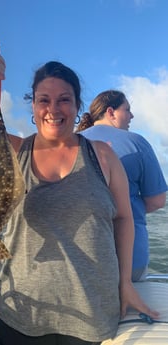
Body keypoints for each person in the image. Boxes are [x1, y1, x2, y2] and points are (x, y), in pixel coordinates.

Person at [0, 50, 159, 345]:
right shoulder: (12, 150)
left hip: (91, 311)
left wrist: (126, 282)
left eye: (64, 99)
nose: (53, 109)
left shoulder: (102, 155)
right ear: (34, 104)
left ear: (78, 105)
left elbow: (124, 218)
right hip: (22, 312)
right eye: (44, 100)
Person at [77, 90, 167, 282]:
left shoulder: (71, 142)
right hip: (131, 258)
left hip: (80, 257)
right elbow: (158, 201)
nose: (131, 116)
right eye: (127, 110)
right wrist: (126, 206)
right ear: (111, 112)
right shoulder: (137, 143)